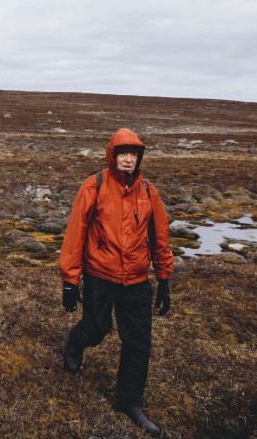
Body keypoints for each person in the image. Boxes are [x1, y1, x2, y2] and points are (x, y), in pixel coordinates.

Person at [59, 128, 174, 437]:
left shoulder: (148, 191)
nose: (128, 159)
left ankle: (129, 402)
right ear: (112, 155)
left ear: (139, 158)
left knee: (139, 343)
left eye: (133, 154)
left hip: (137, 281)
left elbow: (160, 236)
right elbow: (75, 234)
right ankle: (76, 342)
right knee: (96, 329)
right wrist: (70, 280)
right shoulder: (93, 186)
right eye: (123, 153)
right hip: (100, 276)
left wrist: (163, 279)